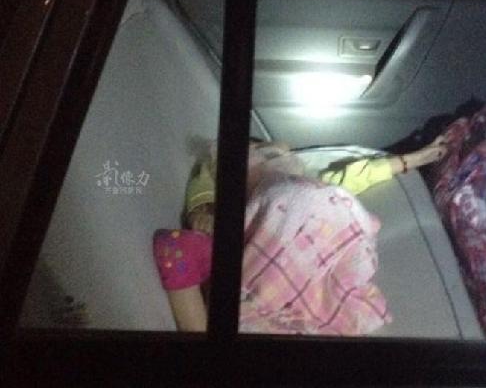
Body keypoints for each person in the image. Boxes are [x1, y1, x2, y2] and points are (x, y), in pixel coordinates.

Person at [155, 137, 447, 332]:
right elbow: (204, 186)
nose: (267, 156)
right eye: (257, 153)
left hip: (322, 235)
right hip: (256, 246)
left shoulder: (308, 183)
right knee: (177, 246)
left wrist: (411, 160)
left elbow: (358, 175)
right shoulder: (230, 205)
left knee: (323, 203)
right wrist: (202, 210)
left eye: (268, 153)